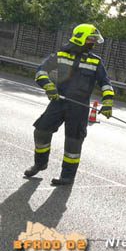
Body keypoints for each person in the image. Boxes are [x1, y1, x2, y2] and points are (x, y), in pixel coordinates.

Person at [24, 24, 114, 186]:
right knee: (41, 131)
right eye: (90, 39)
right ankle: (40, 163)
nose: (93, 43)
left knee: (73, 141)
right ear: (80, 37)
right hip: (58, 102)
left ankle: (67, 176)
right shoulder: (60, 55)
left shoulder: (95, 61)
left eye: (93, 40)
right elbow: (40, 71)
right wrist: (49, 87)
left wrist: (107, 103)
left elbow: (106, 84)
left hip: (79, 108)